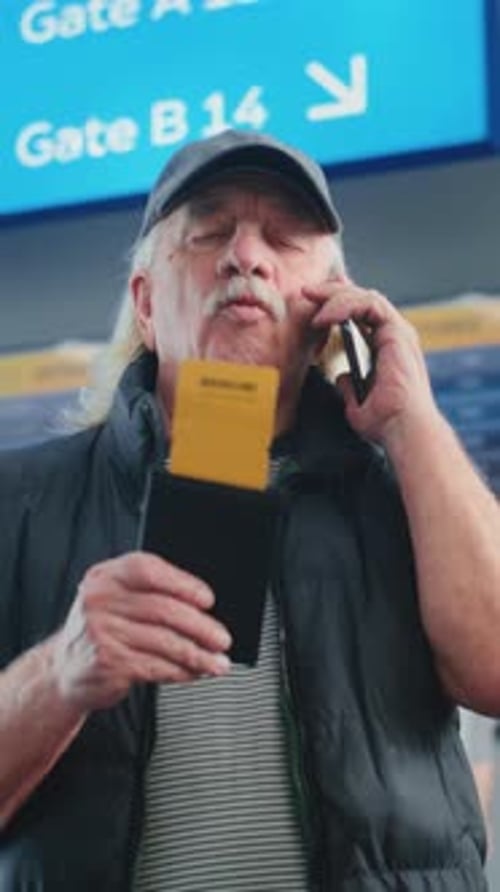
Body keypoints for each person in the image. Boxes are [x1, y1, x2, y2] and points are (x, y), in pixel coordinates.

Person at [0, 128, 499, 892]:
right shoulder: (20, 501)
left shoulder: (410, 490)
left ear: (335, 304)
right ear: (146, 304)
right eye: (208, 232)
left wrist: (414, 423)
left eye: (285, 237)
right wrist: (59, 672)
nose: (245, 256)